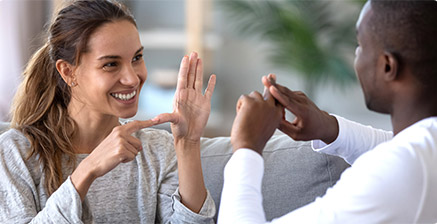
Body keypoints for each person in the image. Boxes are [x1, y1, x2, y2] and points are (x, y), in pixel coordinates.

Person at [218, 0, 437, 223]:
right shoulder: (424, 149)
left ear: (388, 65)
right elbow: (399, 146)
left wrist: (247, 146)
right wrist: (329, 128)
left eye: (360, 46)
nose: (356, 58)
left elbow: (401, 160)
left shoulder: (395, 174)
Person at [0, 0, 216, 223]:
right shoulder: (15, 153)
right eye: (111, 64)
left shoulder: (157, 151)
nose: (132, 78)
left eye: (137, 58)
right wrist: (89, 169)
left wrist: (189, 144)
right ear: (68, 72)